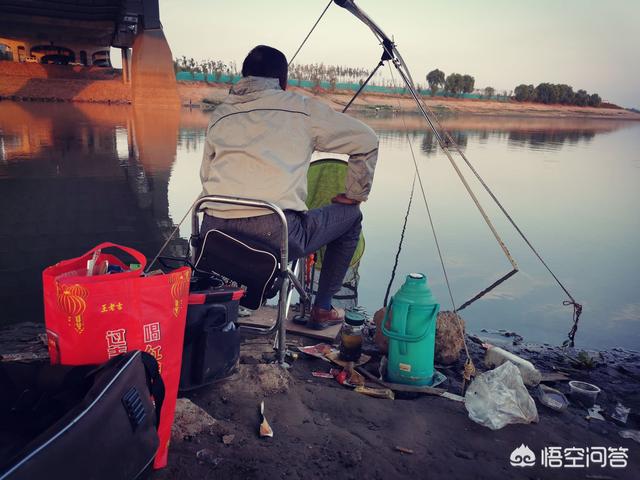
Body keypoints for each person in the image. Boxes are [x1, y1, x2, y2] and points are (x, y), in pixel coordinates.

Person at [199, 45, 378, 330]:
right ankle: (322, 308)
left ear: (244, 76)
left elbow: (205, 176)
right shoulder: (302, 109)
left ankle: (223, 308)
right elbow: (367, 140)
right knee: (351, 218)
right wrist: (353, 195)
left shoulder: (219, 116)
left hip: (213, 233)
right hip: (273, 235)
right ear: (283, 82)